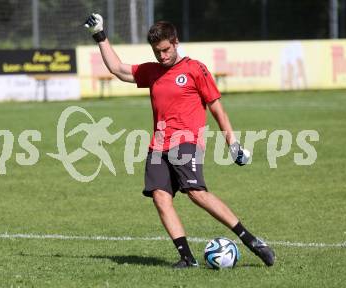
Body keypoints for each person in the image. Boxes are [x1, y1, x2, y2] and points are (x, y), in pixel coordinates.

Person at [84, 13, 275, 268]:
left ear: (175, 42)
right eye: (157, 52)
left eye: (165, 50)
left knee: (196, 193)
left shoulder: (194, 68)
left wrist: (233, 144)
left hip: (187, 141)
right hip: (157, 146)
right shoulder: (152, 72)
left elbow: (217, 109)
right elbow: (118, 69)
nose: (162, 56)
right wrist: (100, 35)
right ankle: (187, 258)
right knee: (160, 198)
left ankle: (252, 241)